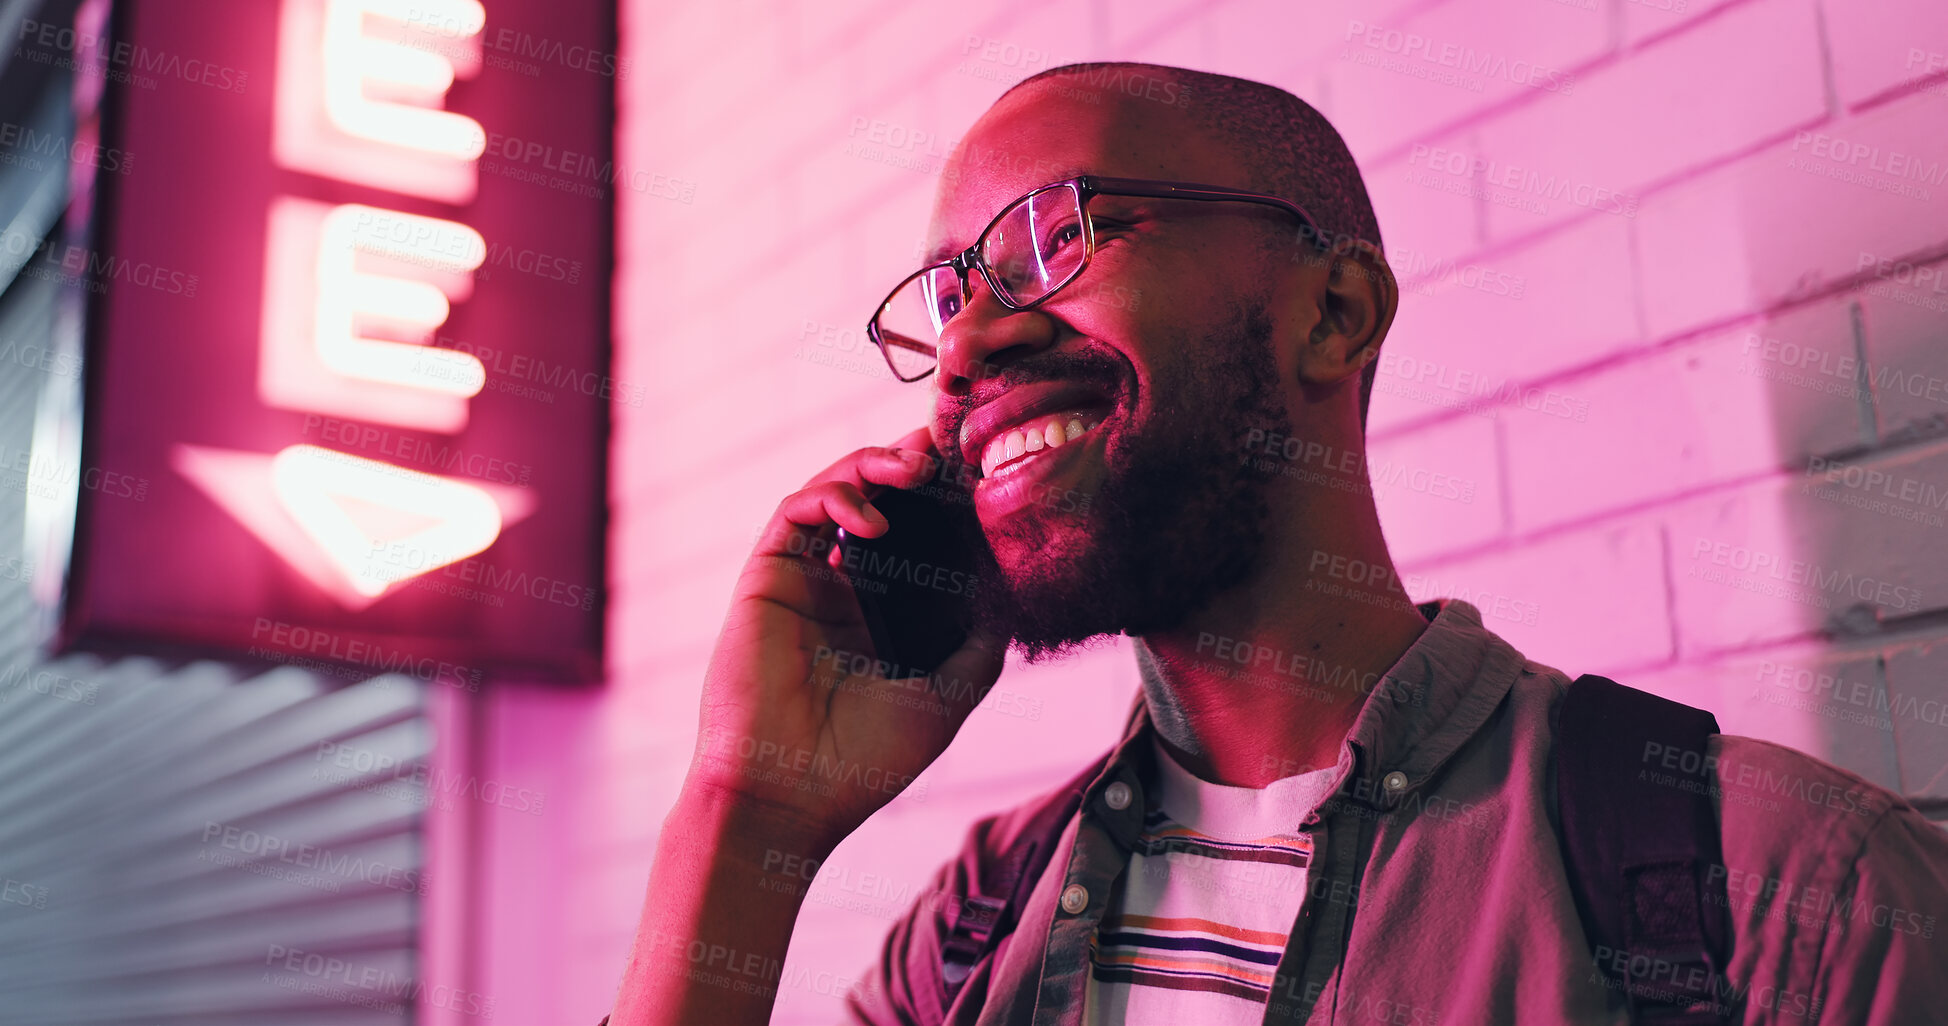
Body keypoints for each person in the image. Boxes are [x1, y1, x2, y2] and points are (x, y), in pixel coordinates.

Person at [605, 63, 1948, 1025]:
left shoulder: (1782, 899)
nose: (962, 346)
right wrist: (744, 813)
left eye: (1057, 237)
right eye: (948, 296)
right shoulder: (968, 940)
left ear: (1336, 311)